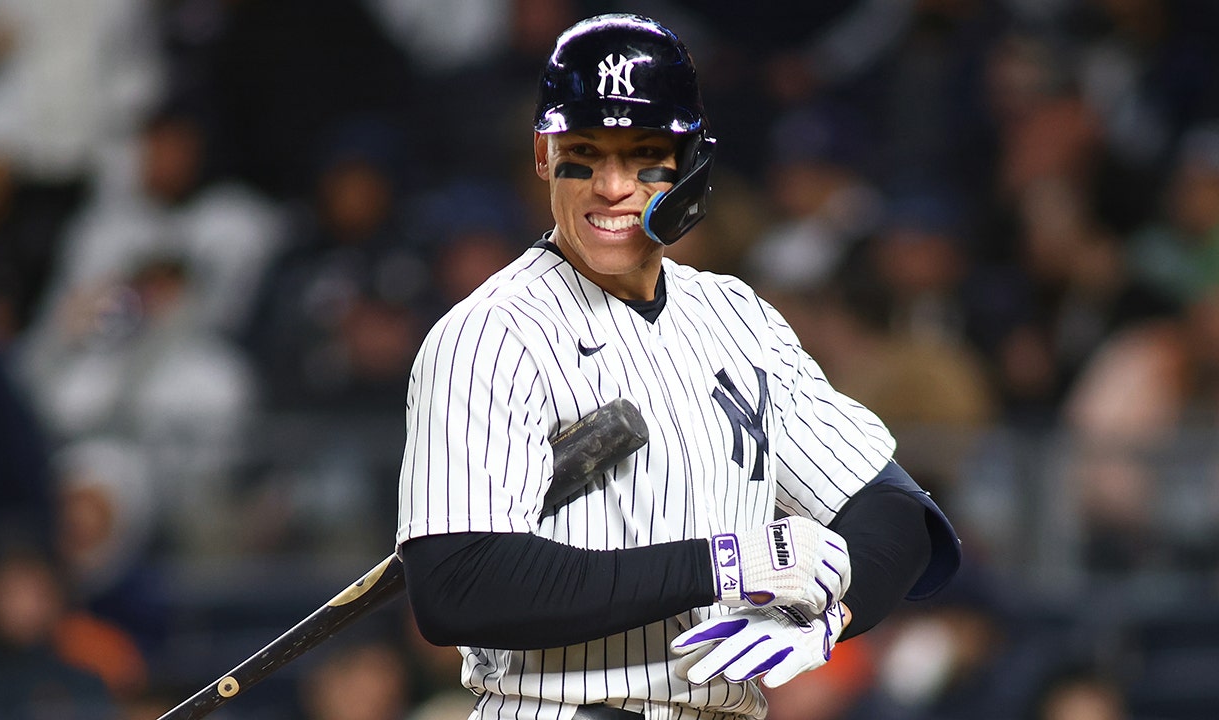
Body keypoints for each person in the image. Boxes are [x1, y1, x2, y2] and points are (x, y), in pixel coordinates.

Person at [395, 14, 961, 720]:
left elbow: (901, 514)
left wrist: (829, 613)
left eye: (643, 156)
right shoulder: (488, 333)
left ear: (691, 161)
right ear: (543, 154)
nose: (612, 186)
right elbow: (459, 588)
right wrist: (726, 564)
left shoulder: (739, 318)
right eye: (585, 152)